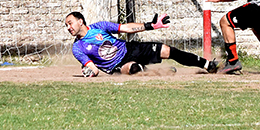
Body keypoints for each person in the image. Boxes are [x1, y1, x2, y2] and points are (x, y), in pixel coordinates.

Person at [65, 12, 218, 77]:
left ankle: (207, 65)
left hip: (129, 49)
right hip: (116, 66)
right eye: (66, 25)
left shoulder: (99, 26)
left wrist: (150, 25)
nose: (69, 27)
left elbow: (126, 28)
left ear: (80, 21)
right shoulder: (77, 48)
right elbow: (94, 69)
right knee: (133, 68)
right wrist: (89, 72)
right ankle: (160, 71)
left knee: (166, 50)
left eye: (70, 23)